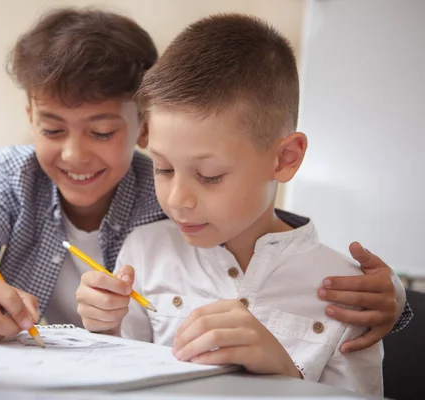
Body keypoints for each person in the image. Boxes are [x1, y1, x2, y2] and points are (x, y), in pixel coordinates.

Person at [0, 7, 410, 349]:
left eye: (103, 130)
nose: (74, 153)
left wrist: (399, 303)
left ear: (144, 127)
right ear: (29, 115)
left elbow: (256, 235)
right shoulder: (14, 174)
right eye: (51, 128)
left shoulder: (166, 194)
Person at [76, 13, 389, 395]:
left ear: (285, 158)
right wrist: (106, 330)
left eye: (209, 176)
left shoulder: (352, 295)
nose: (177, 201)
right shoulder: (144, 251)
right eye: (163, 168)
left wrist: (285, 376)